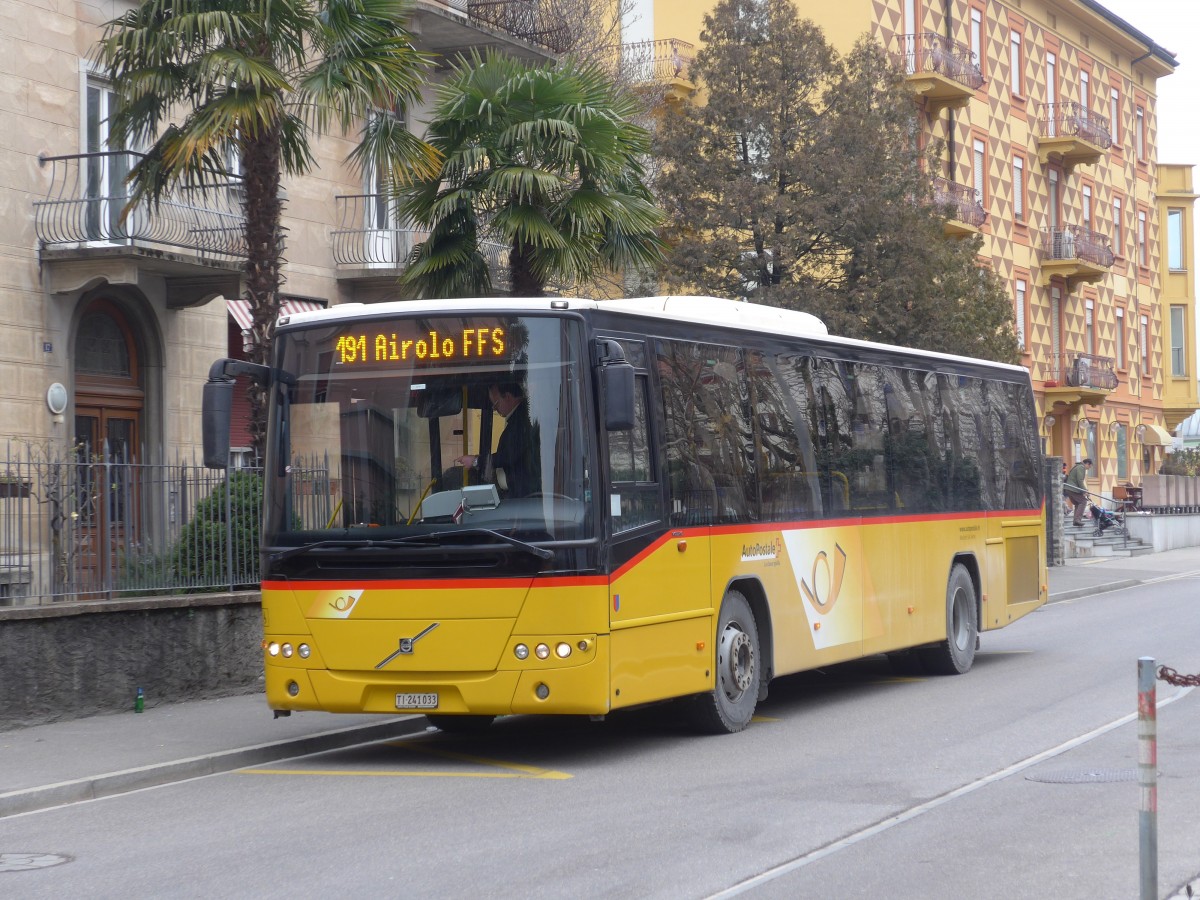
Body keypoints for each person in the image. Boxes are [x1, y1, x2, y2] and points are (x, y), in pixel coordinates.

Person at [456, 382, 539, 498]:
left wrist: (476, 460)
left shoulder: (521, 421)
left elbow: (508, 455)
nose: (495, 409)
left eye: (496, 404)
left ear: (508, 397)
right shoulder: (519, 418)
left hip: (525, 496)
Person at [1063, 457, 1092, 526]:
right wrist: (1084, 491)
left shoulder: (1078, 466)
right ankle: (1077, 520)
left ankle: (1075, 521)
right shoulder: (1081, 467)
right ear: (1087, 464)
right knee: (1083, 501)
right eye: (1090, 466)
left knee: (1077, 503)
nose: (1089, 468)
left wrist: (1084, 491)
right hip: (1073, 489)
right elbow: (1080, 480)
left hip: (1069, 488)